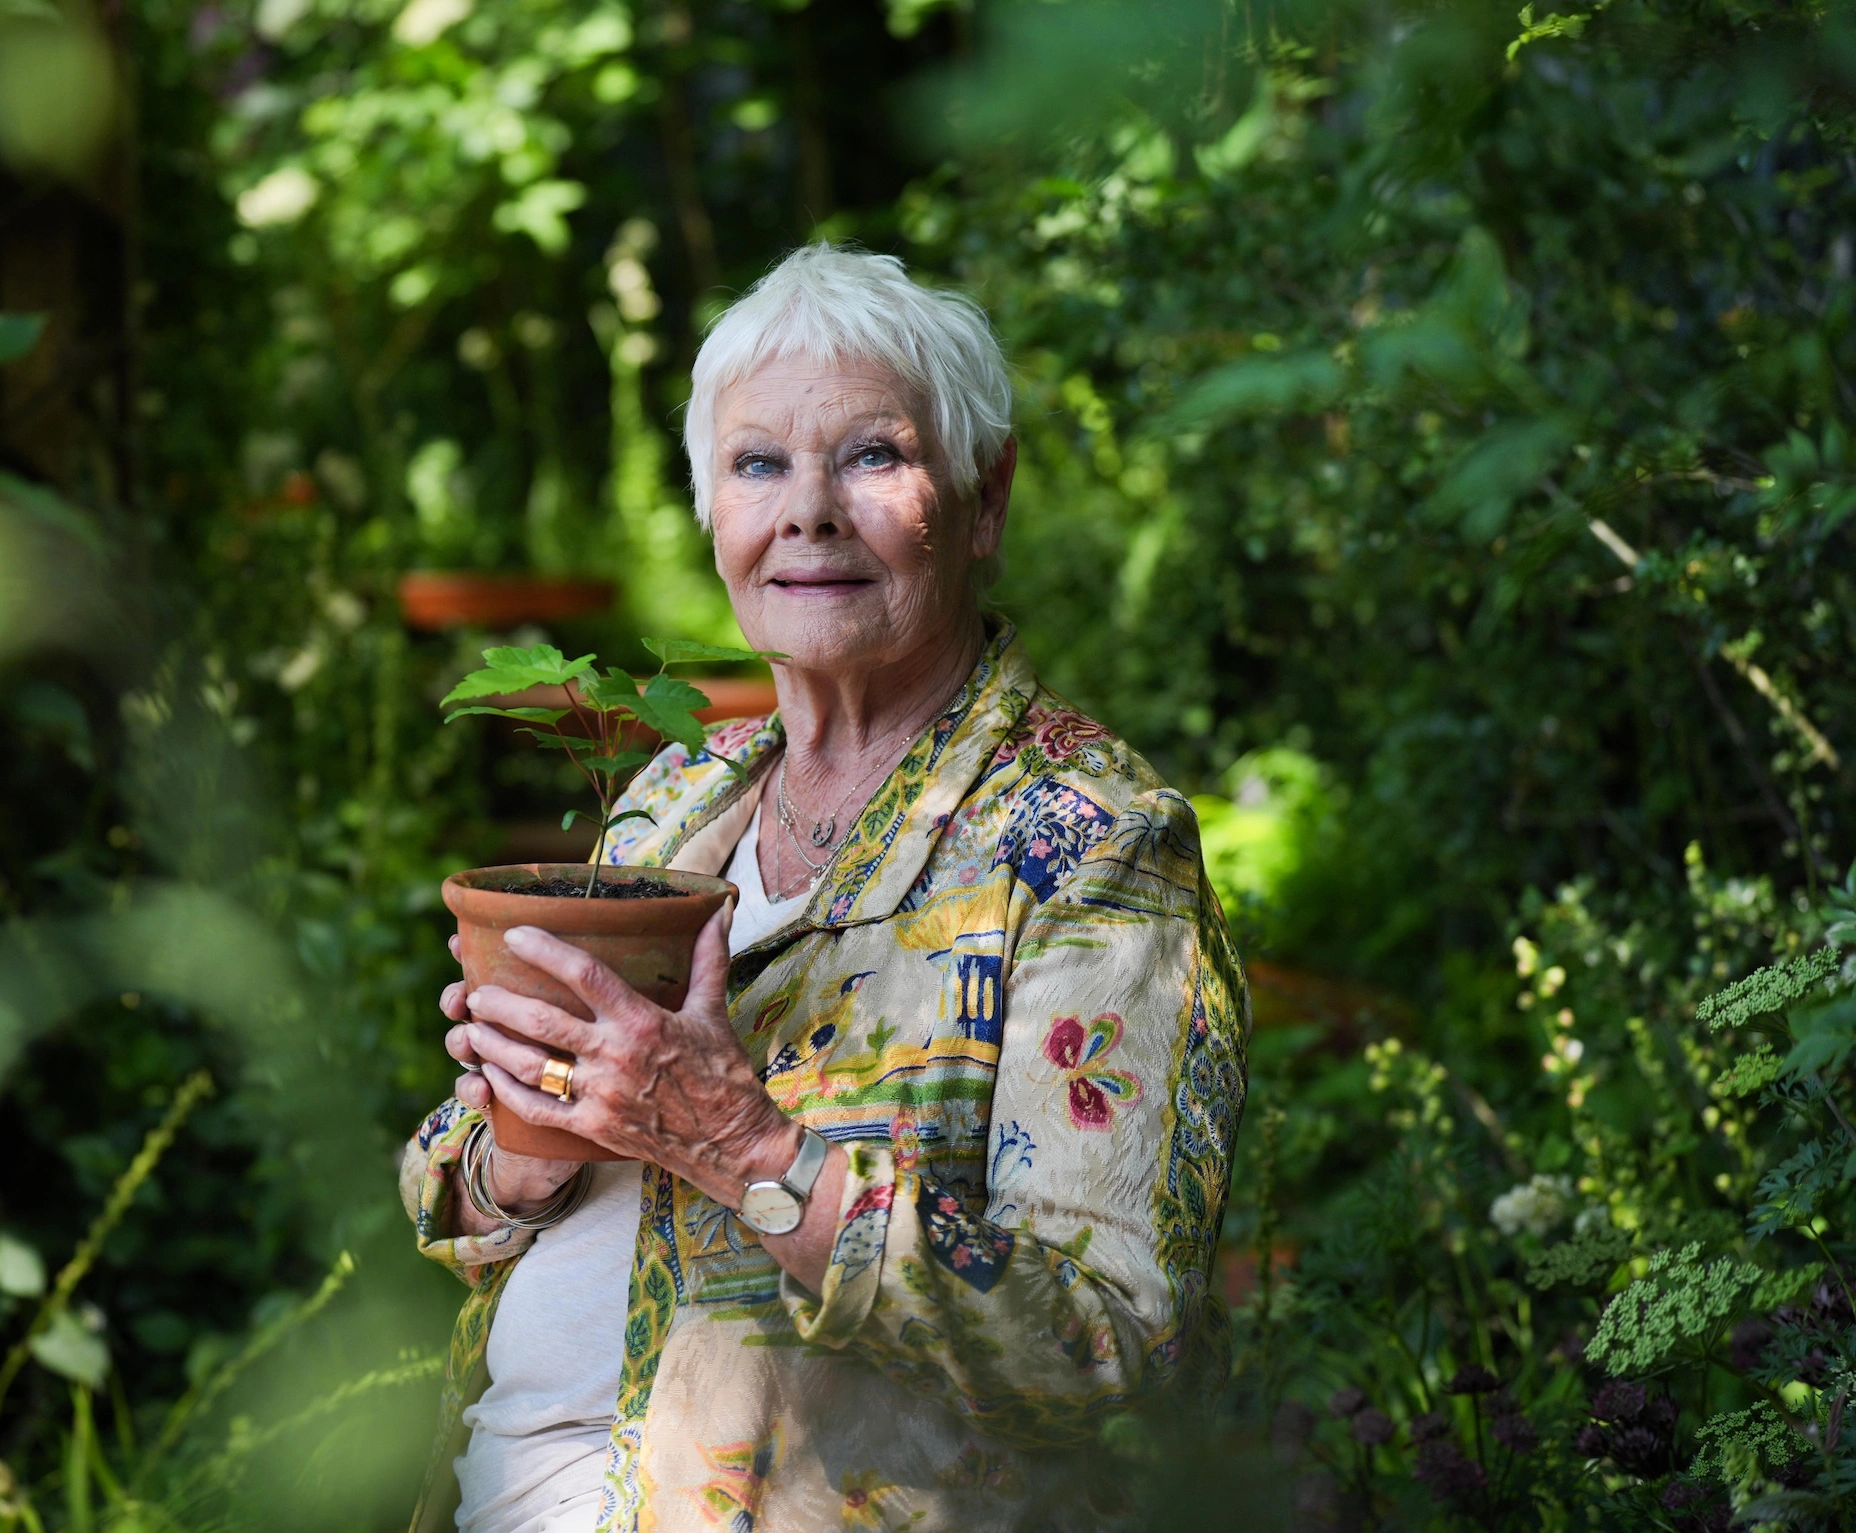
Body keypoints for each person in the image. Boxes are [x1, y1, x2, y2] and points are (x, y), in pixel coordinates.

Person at [400, 243, 1248, 1532]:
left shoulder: (1086, 850)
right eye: (757, 464)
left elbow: (1101, 1349)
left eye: (870, 456)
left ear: (984, 498)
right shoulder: (677, 806)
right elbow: (449, 1199)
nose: (806, 512)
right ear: (713, 511)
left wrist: (742, 1146)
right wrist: (512, 1152)